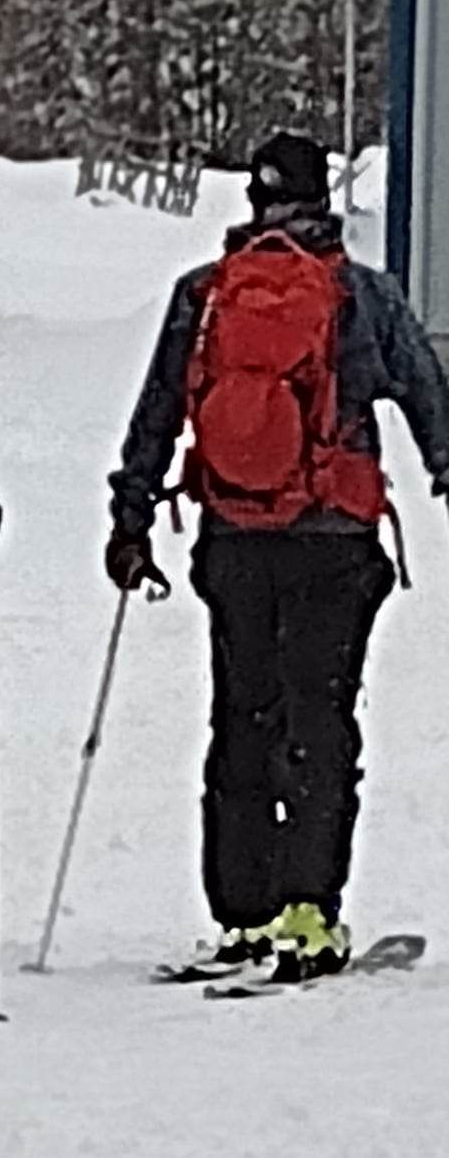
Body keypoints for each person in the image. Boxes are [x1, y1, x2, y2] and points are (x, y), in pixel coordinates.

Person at [107, 131, 449, 983]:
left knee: (242, 715)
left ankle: (242, 912)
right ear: (321, 200)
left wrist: (132, 515)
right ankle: (309, 909)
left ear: (255, 203)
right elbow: (424, 392)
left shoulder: (207, 294)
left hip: (234, 533)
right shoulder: (361, 294)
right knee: (319, 717)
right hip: (335, 534)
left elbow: (158, 410)